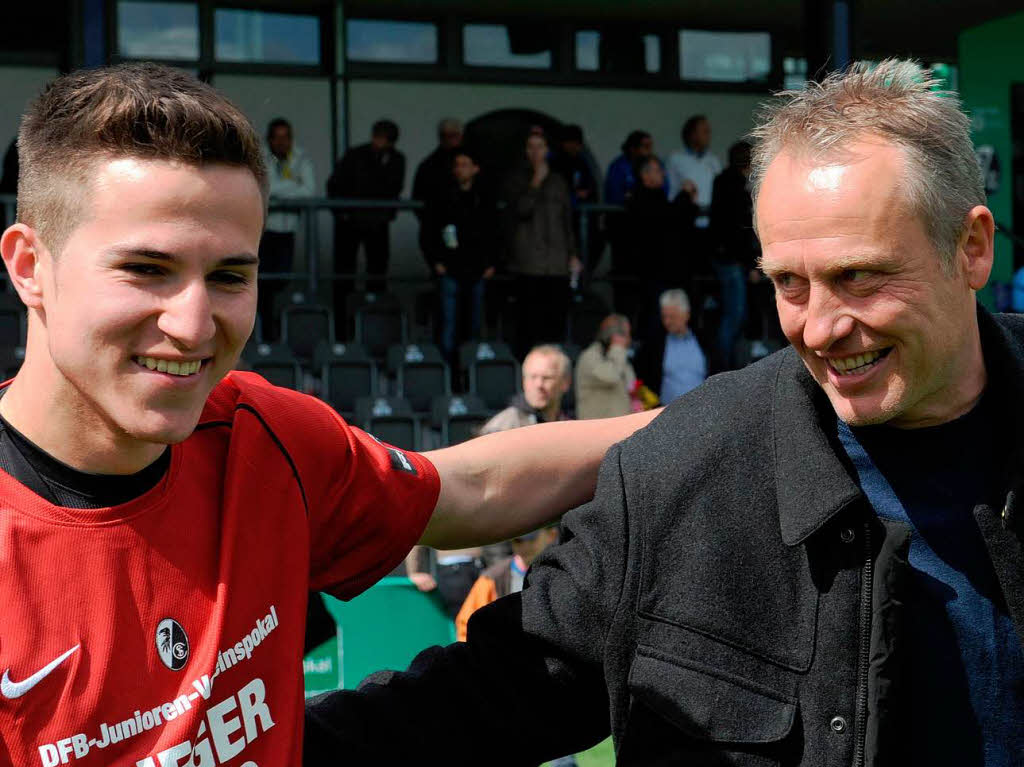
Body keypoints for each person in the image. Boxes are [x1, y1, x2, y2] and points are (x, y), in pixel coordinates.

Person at [305, 59, 1024, 765]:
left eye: (859, 277)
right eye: (789, 283)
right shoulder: (689, 470)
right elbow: (475, 702)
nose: (821, 326)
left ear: (972, 248)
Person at [0, 62, 662, 765]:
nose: (194, 324)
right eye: (147, 268)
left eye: (230, 275)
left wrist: (720, 418)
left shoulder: (264, 434)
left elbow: (472, 487)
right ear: (30, 266)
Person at [405, 345, 573, 615]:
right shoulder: (503, 428)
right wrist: (502, 570)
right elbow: (491, 501)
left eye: (547, 378)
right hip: (495, 562)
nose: (539, 385)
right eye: (533, 377)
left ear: (565, 383)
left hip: (537, 556)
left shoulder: (567, 427)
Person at [502, 128, 580, 357]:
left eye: (540, 147)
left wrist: (573, 254)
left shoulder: (558, 181)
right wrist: (535, 181)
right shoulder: (515, 179)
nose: (536, 152)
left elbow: (567, 220)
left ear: (547, 151)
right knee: (527, 326)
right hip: (529, 264)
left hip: (557, 264)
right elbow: (521, 210)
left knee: (554, 326)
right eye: (531, 147)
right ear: (525, 151)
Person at [326, 119, 404, 333]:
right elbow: (334, 185)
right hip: (350, 224)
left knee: (378, 272)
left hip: (377, 225)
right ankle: (342, 328)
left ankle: (374, 325)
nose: (377, 141)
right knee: (344, 274)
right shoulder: (356, 155)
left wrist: (386, 215)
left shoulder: (397, 160)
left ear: (391, 142)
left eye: (383, 138)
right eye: (376, 136)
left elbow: (394, 189)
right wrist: (343, 215)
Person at [422, 148, 497, 364]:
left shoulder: (484, 198)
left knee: (473, 325)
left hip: (477, 270)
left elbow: (495, 232)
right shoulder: (442, 197)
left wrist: (492, 263)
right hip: (450, 269)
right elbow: (428, 232)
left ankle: (471, 372)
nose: (460, 169)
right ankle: (447, 375)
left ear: (475, 169)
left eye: (465, 164)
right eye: (457, 165)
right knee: (448, 326)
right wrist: (435, 261)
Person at [624, 155, 698, 336]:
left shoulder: (654, 197)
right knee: (656, 315)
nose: (663, 174)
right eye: (657, 170)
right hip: (654, 269)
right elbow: (668, 219)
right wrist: (684, 196)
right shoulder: (641, 199)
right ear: (645, 175)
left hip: (664, 268)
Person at [258, 118, 315, 342]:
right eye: (278, 137)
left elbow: (310, 191)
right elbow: (264, 187)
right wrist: (293, 187)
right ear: (270, 139)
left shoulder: (301, 158)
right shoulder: (260, 158)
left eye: (286, 137)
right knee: (263, 282)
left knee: (281, 280)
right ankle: (266, 333)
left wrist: (277, 191)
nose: (282, 142)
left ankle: (272, 329)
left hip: (288, 230)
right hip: (265, 230)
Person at [710, 140, 761, 370]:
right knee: (735, 317)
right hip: (733, 260)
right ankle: (724, 368)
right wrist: (751, 264)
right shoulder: (738, 188)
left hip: (722, 257)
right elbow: (739, 231)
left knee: (731, 315)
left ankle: (726, 366)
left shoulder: (721, 181)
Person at [634, 288, 706, 404]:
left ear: (686, 315)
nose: (667, 322)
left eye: (672, 317)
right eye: (664, 317)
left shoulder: (705, 341)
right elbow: (641, 376)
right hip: (666, 414)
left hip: (703, 413)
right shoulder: (654, 344)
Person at [413, 118, 463, 265]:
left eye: (452, 135)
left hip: (456, 229)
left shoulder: (428, 164)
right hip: (438, 229)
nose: (449, 140)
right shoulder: (429, 165)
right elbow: (419, 199)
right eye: (445, 135)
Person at [575, 314, 634, 420]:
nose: (629, 339)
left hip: (621, 429)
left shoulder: (619, 358)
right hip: (597, 431)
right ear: (615, 336)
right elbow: (611, 377)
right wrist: (617, 348)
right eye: (626, 334)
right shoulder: (590, 357)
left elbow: (631, 384)